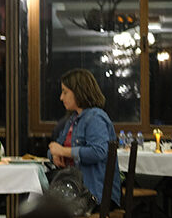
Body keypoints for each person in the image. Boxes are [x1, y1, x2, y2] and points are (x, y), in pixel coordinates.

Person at [47, 68, 122, 208]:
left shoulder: (95, 118)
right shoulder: (73, 119)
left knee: (44, 211)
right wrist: (54, 154)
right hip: (74, 191)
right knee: (40, 206)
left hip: (94, 196)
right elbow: (55, 148)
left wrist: (63, 151)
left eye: (65, 92)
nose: (61, 97)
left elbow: (98, 152)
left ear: (78, 91)